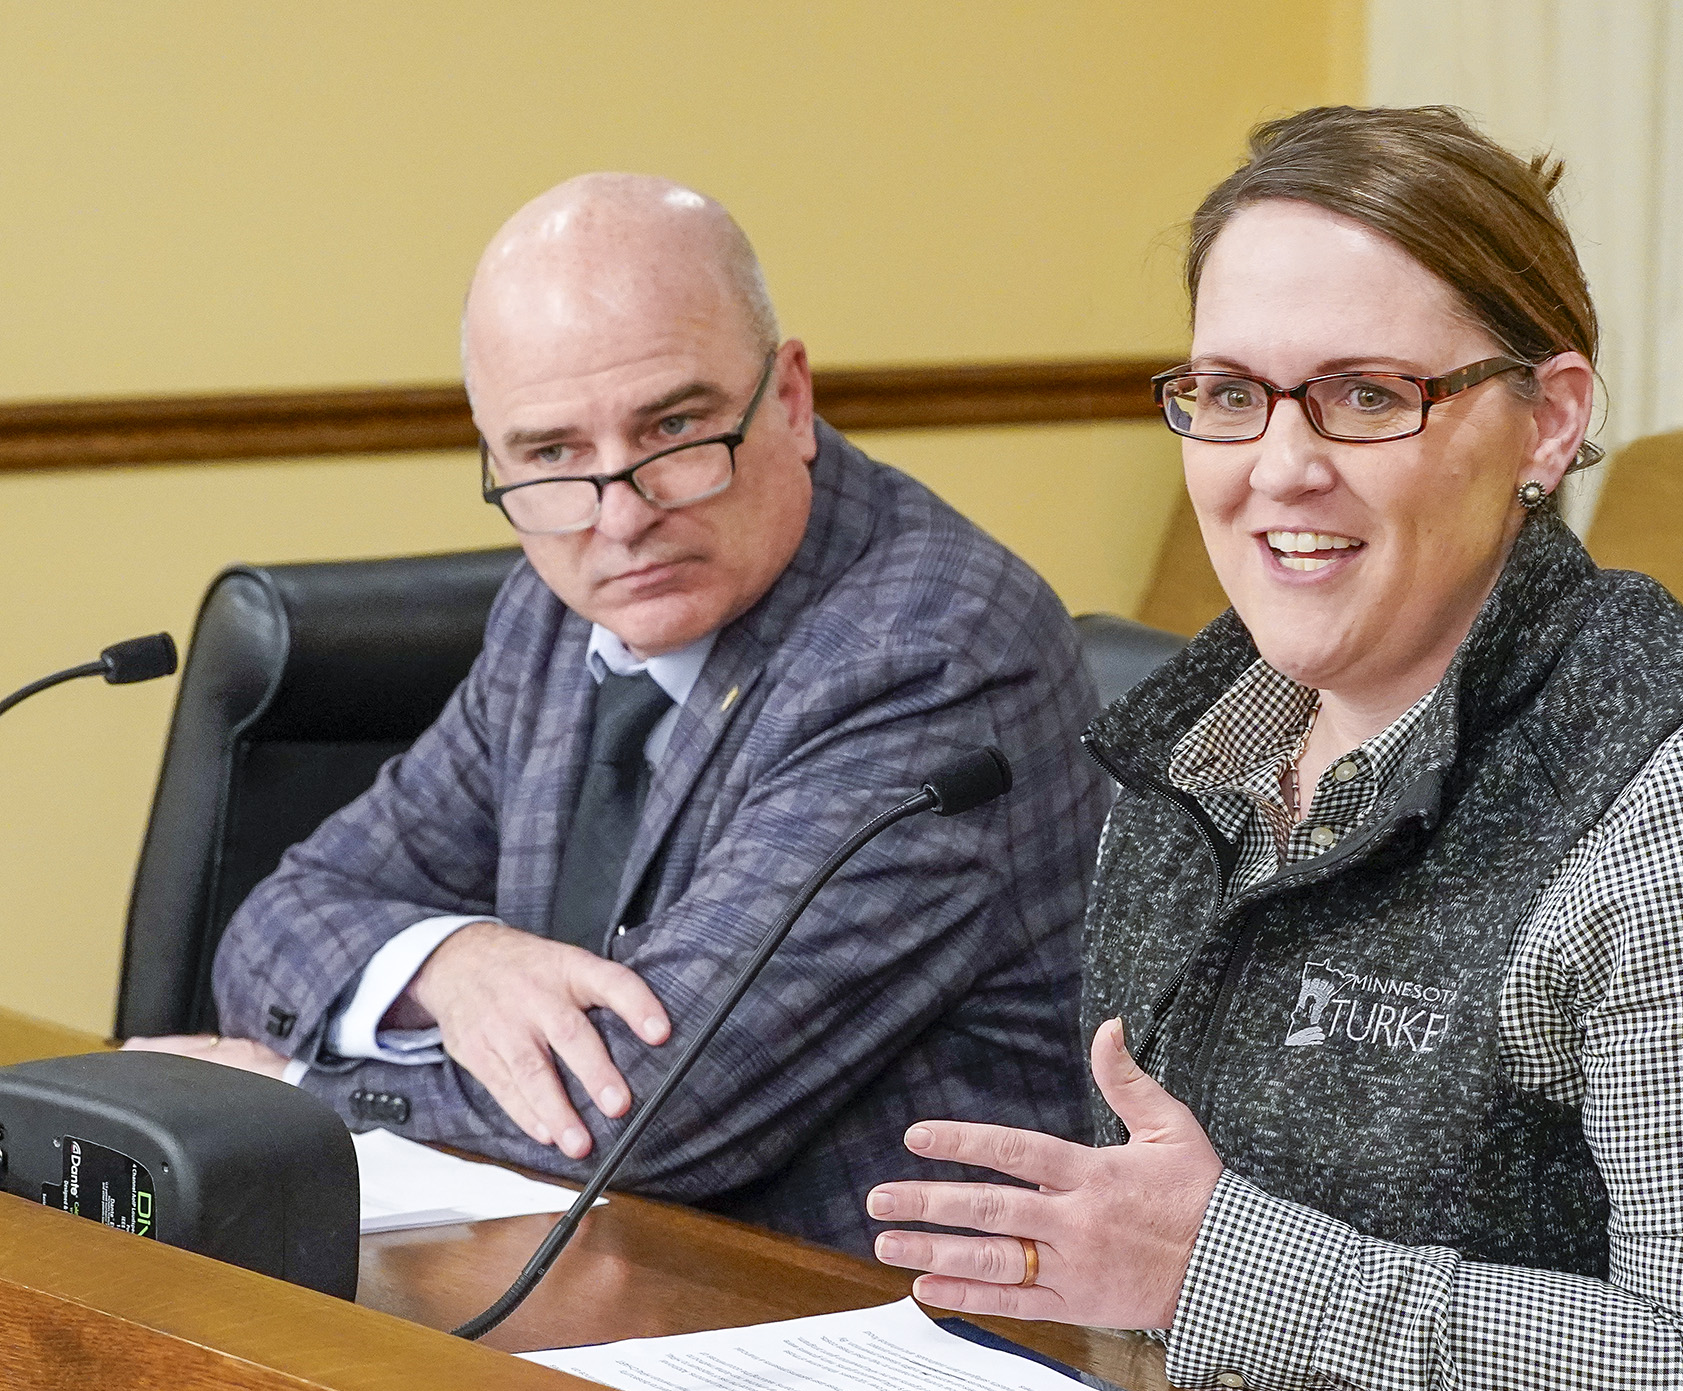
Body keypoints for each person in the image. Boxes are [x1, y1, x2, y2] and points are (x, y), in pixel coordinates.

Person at [864, 107, 1683, 1391]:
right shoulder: (1199, 748)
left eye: (1367, 396)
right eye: (1227, 393)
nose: (1277, 466)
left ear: (1549, 422)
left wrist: (1233, 1278)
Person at [128, 173, 1109, 1254]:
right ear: (497, 462)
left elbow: (649, 1109)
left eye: (674, 427)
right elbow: (284, 919)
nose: (621, 517)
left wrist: (297, 1092)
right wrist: (451, 963)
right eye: (551, 457)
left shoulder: (930, 651)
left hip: (885, 1342)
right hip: (586, 1290)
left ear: (789, 399)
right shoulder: (552, 615)